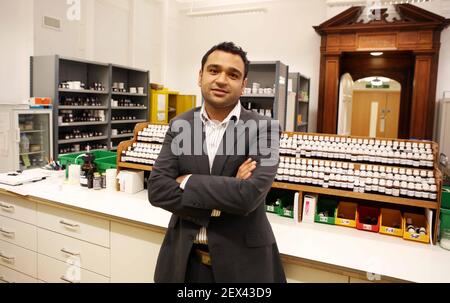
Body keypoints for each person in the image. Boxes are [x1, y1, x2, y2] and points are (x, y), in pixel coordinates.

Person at [148, 41, 286, 283]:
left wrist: (186, 180)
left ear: (243, 85)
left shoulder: (266, 129)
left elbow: (249, 196)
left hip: (243, 266)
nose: (222, 80)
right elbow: (158, 190)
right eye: (214, 70)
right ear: (200, 76)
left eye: (233, 75)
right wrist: (229, 187)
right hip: (184, 262)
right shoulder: (180, 125)